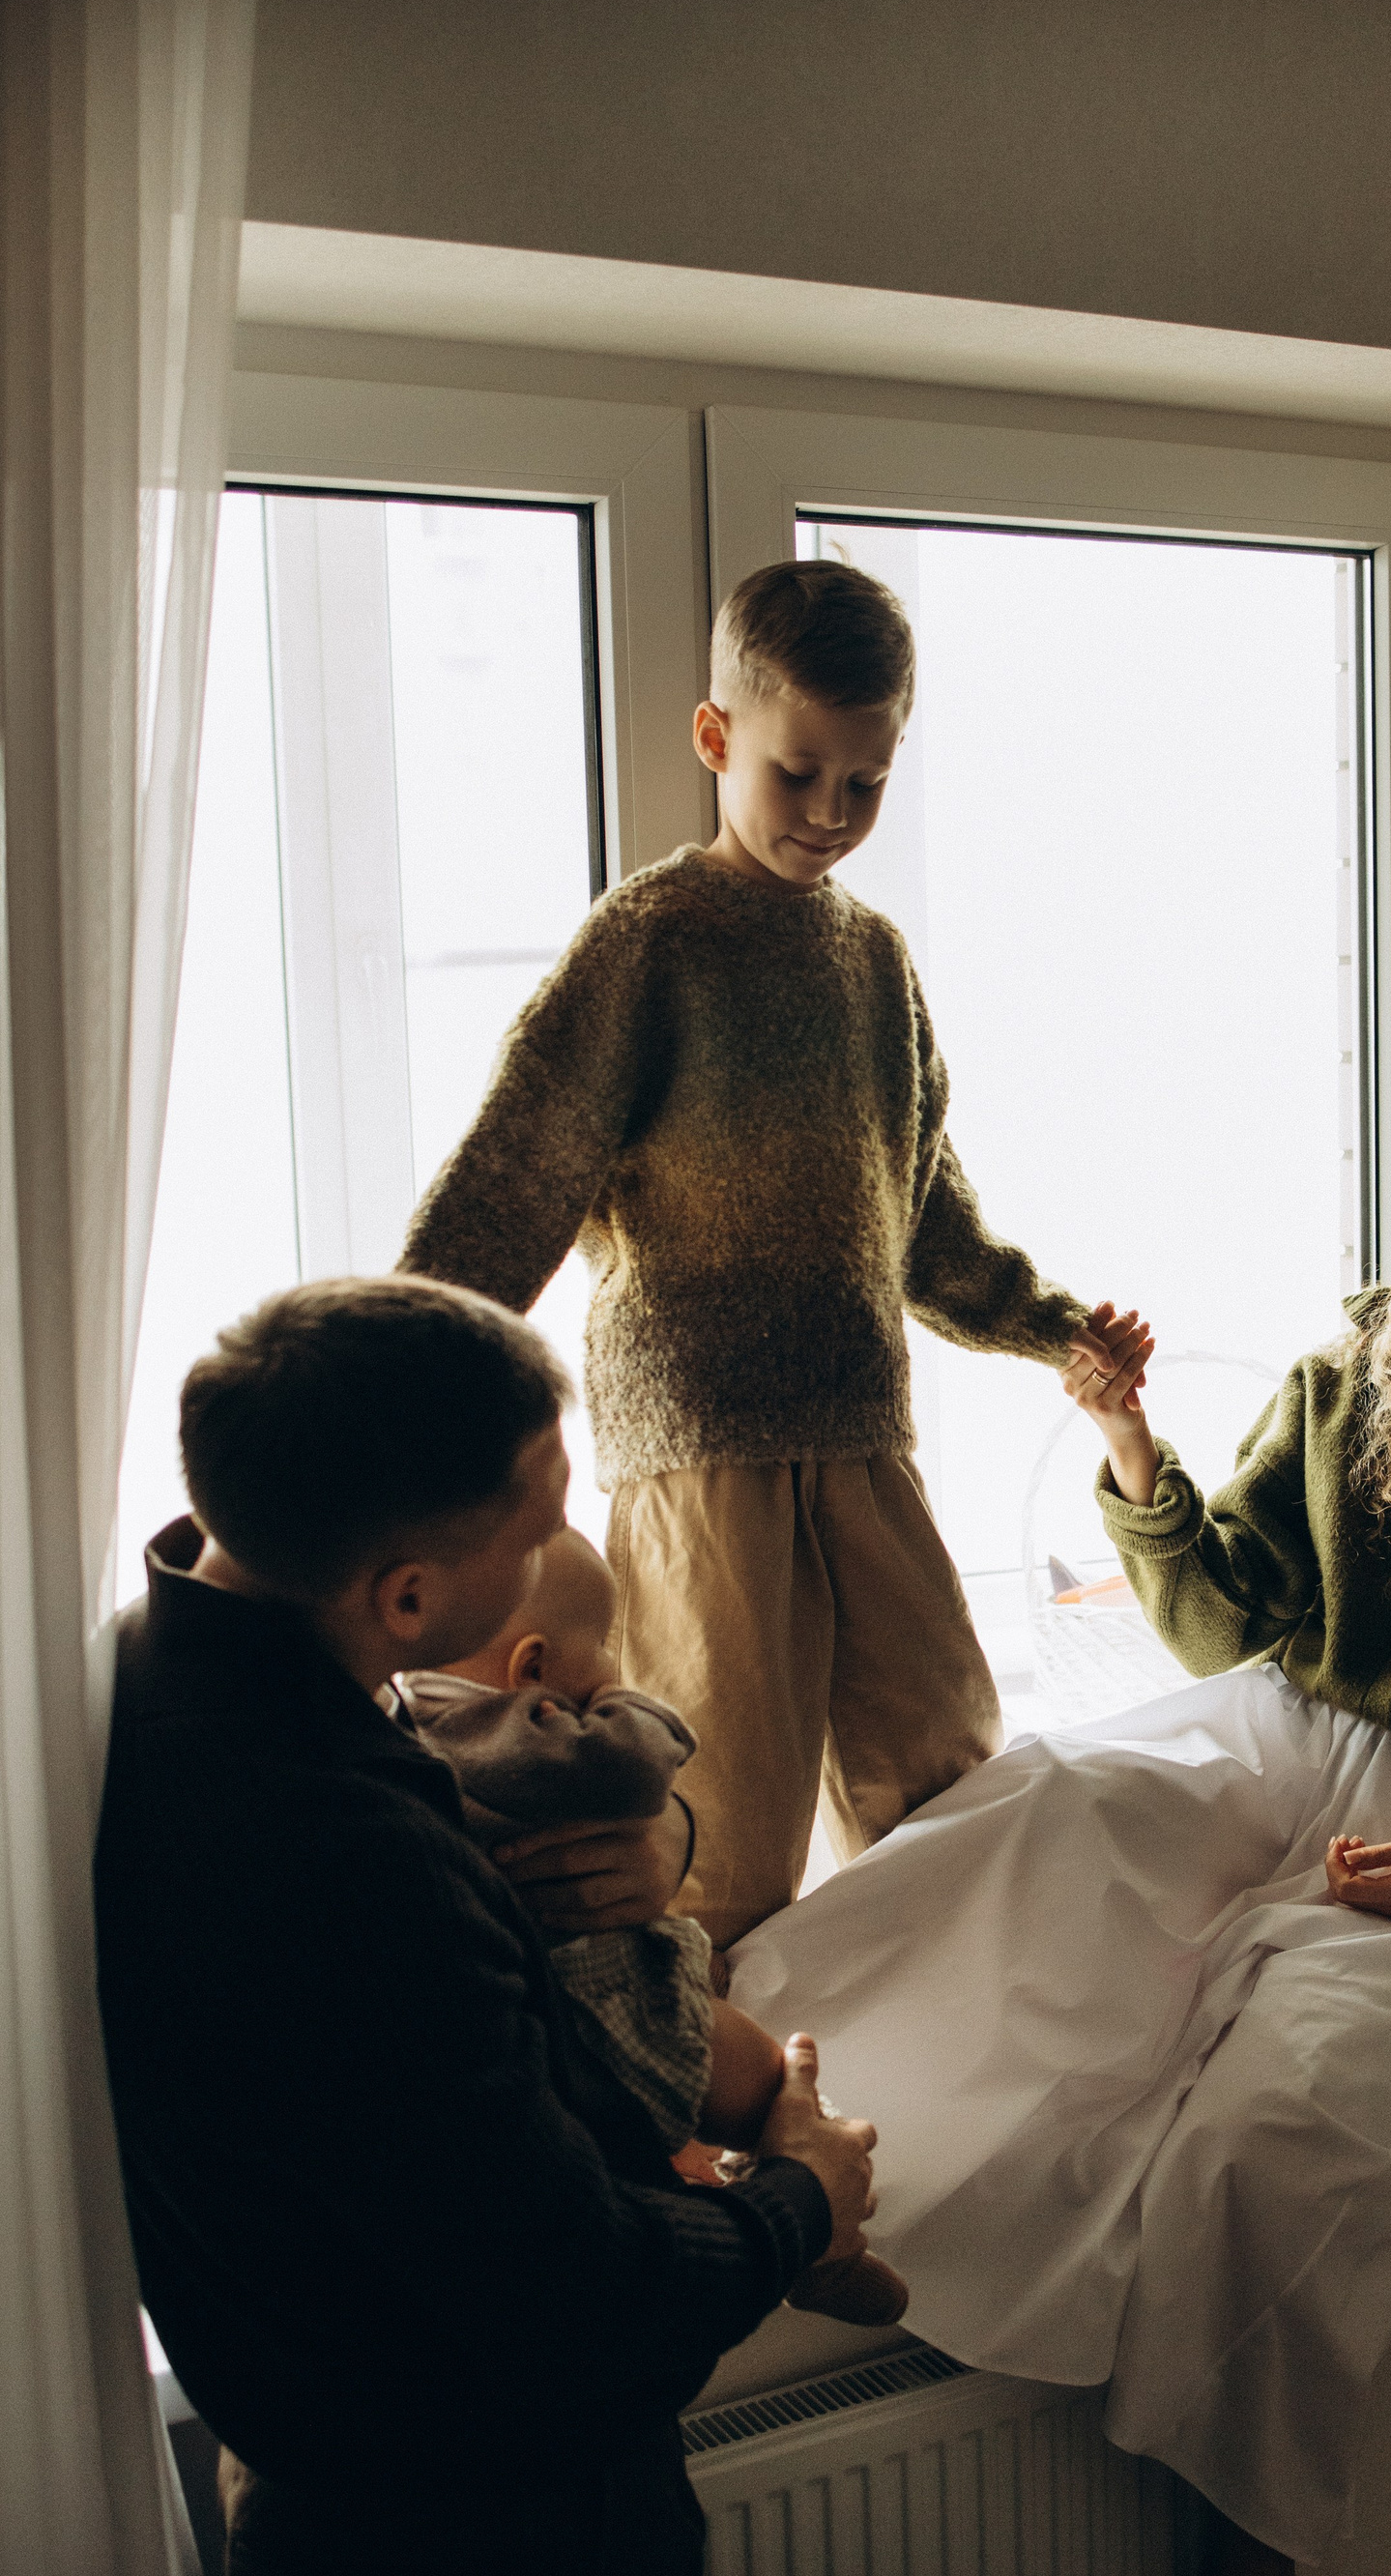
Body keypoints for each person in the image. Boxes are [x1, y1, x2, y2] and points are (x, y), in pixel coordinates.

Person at [727, 1073, 1391, 2573]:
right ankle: (749, 2123)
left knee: (1268, 2129)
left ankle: (1245, 2541)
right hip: (1277, 1745)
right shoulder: (1354, 1381)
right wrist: (1132, 1448)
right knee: (1047, 1819)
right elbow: (1225, 1625)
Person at [94, 1278, 881, 2576]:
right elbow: (576, 2294)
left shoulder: (166, 1670)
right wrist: (806, 2197)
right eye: (540, 1529)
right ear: (407, 1600)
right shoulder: (338, 1859)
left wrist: (649, 1852)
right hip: (483, 2518)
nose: (562, 1550)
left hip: (331, 2468)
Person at [399, 559, 1126, 1954]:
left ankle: (939, 2057)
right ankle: (707, 2074)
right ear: (717, 737)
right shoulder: (651, 941)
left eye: (867, 782)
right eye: (799, 774)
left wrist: (1053, 1326)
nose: (831, 813)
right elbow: (518, 1170)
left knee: (947, 1778)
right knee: (714, 1824)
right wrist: (391, 1364)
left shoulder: (876, 964)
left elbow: (923, 1213)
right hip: (700, 1445)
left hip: (860, 1433)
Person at [402, 1526, 910, 2325]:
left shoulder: (410, 1718)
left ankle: (798, 2222)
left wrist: (669, 1839)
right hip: (613, 2002)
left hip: (569, 2010)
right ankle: (827, 2251)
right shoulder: (514, 1732)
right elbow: (636, 1766)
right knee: (772, 2079)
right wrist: (626, 1704)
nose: (610, 1678)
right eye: (603, 1655)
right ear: (531, 1668)